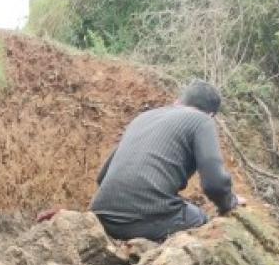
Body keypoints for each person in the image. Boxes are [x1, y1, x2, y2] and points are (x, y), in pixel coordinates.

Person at [84, 80, 239, 242]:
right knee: (203, 224)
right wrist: (230, 203)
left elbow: (102, 177)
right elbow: (215, 184)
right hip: (145, 220)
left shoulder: (143, 117)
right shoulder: (202, 121)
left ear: (177, 102)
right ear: (211, 115)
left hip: (102, 217)